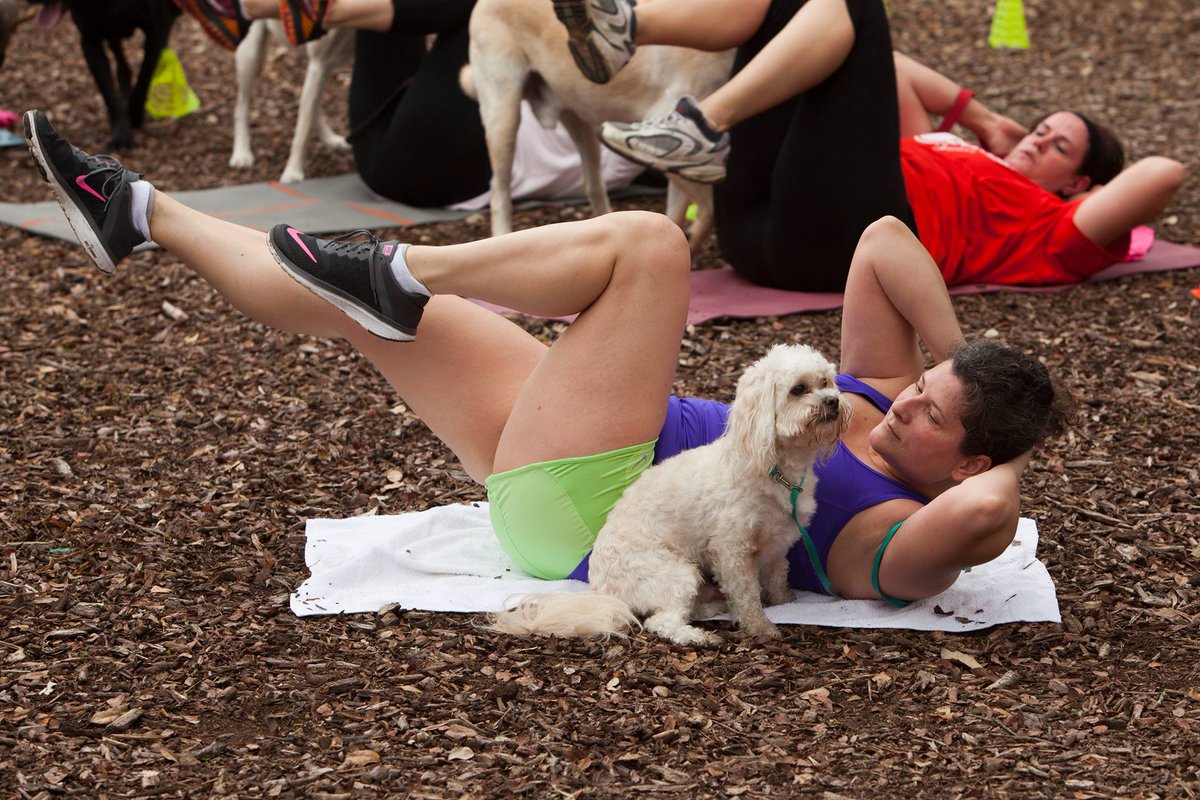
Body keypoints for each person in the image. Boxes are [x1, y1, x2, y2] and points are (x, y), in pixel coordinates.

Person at [25, 108, 1070, 605]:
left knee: (650, 247)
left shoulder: (897, 534)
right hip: (583, 451)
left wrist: (1004, 453)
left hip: (606, 498)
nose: (899, 412)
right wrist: (954, 364)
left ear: (973, 462)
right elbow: (884, 241)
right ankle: (141, 211)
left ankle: (407, 267)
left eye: (931, 418)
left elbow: (989, 515)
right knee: (348, 306)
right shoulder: (879, 400)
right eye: (918, 391)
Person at [556, 0, 1184, 291]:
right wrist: (985, 122)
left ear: (1079, 185)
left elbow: (1164, 172)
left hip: (843, 248)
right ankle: (627, 27)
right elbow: (890, 66)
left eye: (1058, 147)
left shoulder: (1053, 227)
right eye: (1043, 126)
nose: (1039, 138)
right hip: (753, 233)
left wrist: (1090, 203)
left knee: (853, 4)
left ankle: (702, 123)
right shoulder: (948, 150)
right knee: (805, 9)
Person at [171, 0, 642, 207]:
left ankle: (271, 8)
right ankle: (288, 8)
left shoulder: (653, 119)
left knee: (477, 5)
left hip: (447, 174)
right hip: (385, 144)